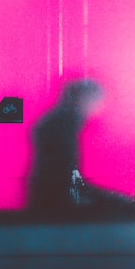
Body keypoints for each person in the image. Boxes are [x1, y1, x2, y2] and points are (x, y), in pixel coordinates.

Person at [27, 80, 104, 213]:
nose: (97, 108)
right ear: (82, 99)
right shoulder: (62, 125)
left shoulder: (57, 122)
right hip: (55, 203)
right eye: (95, 100)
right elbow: (62, 176)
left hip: (50, 199)